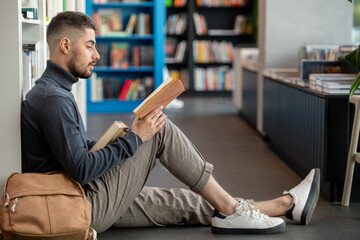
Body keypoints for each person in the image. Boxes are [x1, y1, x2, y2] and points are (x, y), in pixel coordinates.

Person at [21, 11, 320, 235]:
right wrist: (135, 139)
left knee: (180, 202)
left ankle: (284, 206)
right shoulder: (53, 98)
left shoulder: (53, 92)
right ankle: (231, 209)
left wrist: (119, 140)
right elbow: (81, 168)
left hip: (81, 198)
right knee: (158, 131)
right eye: (90, 46)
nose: (97, 54)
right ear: (64, 45)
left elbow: (70, 154)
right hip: (81, 206)